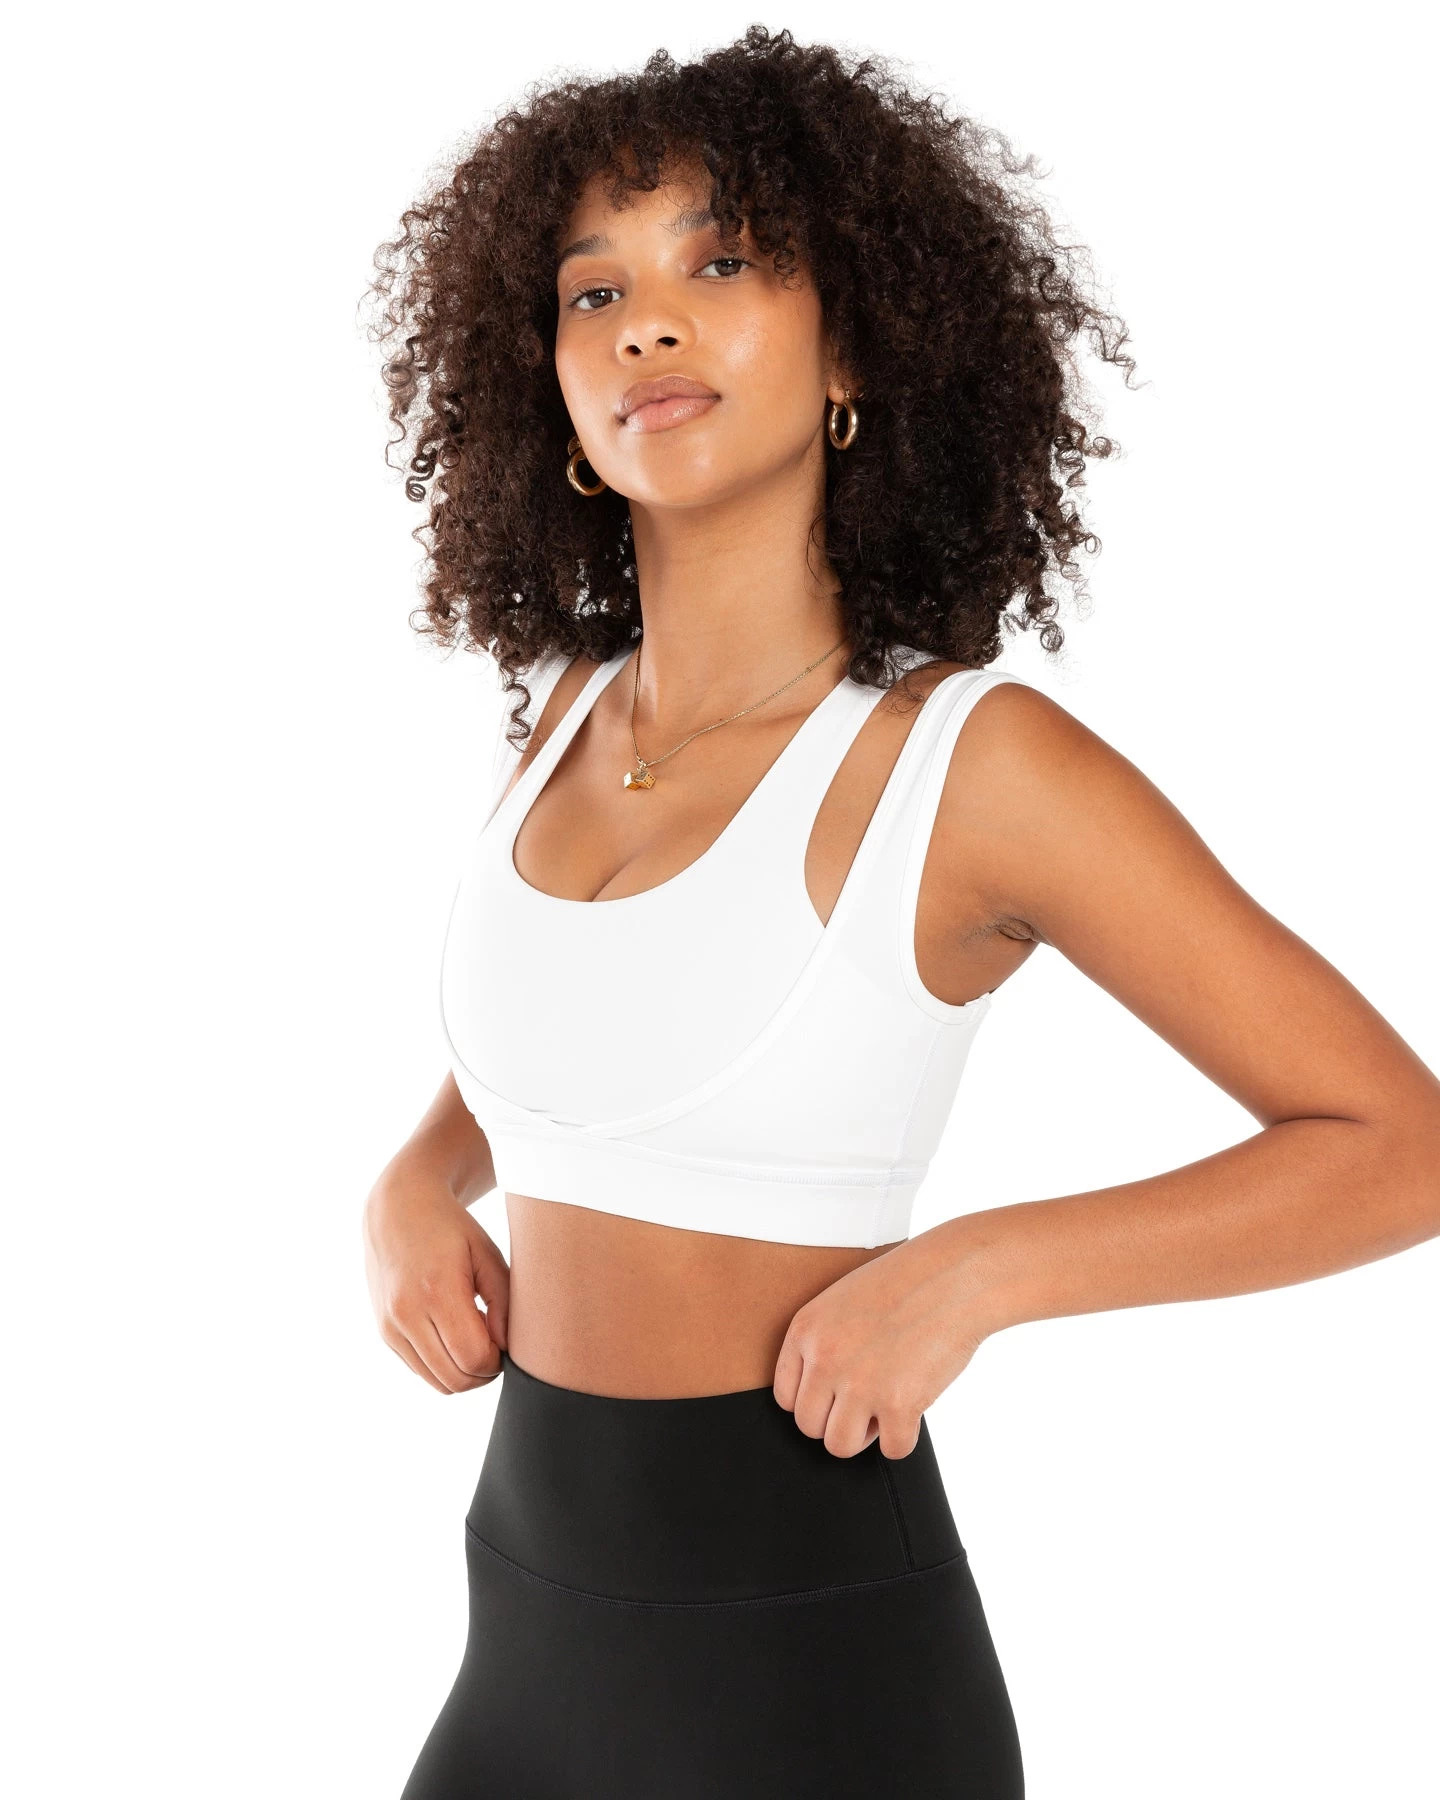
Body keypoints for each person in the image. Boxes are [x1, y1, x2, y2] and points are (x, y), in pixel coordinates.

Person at [359, 28, 1440, 1799]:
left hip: (819, 1683)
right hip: (520, 1651)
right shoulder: (557, 717)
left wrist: (975, 1274)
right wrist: (415, 1181)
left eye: (721, 265)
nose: (646, 327)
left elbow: (1399, 1143)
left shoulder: (971, 766)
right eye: (593, 291)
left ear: (853, 344)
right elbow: (607, 1046)